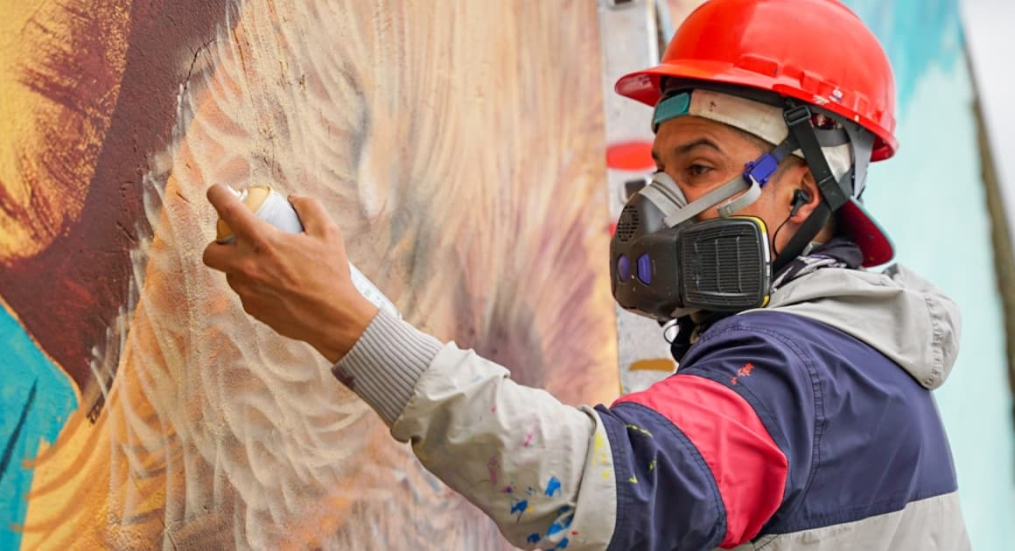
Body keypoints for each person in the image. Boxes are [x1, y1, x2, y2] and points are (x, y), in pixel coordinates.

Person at [202, 0, 970, 549]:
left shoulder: (797, 370)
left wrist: (349, 326)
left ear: (803, 188)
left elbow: (594, 492)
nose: (661, 207)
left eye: (699, 168)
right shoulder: (858, 365)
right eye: (660, 171)